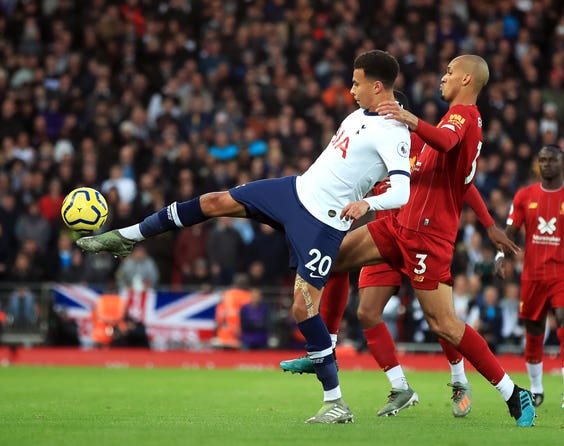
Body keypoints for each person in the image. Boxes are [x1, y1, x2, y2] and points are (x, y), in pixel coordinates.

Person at [76, 49, 412, 424]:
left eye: (356, 82)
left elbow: (402, 191)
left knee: (302, 309)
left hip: (323, 222)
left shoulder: (393, 133)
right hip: (292, 192)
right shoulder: (359, 115)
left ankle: (335, 401)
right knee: (213, 200)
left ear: (377, 85)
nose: (351, 89)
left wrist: (366, 204)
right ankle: (130, 235)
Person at [320, 54, 535, 427]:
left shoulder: (463, 119)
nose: (443, 77)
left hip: (426, 235)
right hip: (398, 226)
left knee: (444, 325)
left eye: (450, 72)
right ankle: (326, 348)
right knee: (333, 260)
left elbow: (448, 144)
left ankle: (513, 393)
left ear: (467, 80)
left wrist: (411, 120)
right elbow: (456, 179)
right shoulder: (447, 123)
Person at [281, 181, 518, 419]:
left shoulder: (424, 150)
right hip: (384, 239)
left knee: (439, 318)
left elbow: (464, 182)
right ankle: (398, 385)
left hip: (420, 238)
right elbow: (355, 186)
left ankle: (459, 379)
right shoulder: (377, 151)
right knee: (366, 311)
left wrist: (488, 225)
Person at [496, 144, 564, 411]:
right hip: (533, 274)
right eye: (542, 159)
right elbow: (510, 231)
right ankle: (536, 389)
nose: (546, 164)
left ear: (563, 163)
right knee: (534, 332)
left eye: (552, 160)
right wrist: (500, 258)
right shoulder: (524, 196)